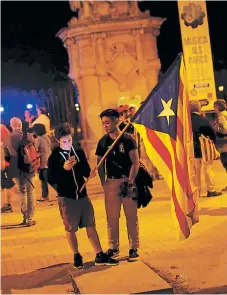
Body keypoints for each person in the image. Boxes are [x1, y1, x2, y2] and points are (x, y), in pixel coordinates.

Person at [47, 123, 119, 268]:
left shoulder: (78, 152)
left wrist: (90, 173)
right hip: (67, 198)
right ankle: (76, 255)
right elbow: (52, 179)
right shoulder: (54, 157)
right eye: (64, 142)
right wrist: (64, 169)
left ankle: (99, 254)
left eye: (69, 140)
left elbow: (85, 170)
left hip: (83, 195)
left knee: (90, 224)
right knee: (70, 228)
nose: (67, 144)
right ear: (58, 141)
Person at [96, 109, 140, 261]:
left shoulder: (128, 139)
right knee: (112, 218)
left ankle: (134, 247)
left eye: (107, 122)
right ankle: (113, 247)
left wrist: (131, 181)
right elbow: (99, 166)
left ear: (117, 121)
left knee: (131, 217)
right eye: (103, 123)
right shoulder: (102, 142)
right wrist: (104, 184)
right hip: (111, 183)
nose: (105, 126)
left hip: (127, 182)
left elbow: (135, 163)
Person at [6, 117, 37, 226]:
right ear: (20, 125)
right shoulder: (28, 136)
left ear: (11, 126)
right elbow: (35, 150)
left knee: (22, 192)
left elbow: (7, 155)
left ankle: (25, 217)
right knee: (31, 192)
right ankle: (30, 218)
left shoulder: (8, 138)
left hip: (16, 169)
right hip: (29, 168)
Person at [190, 101, 222, 197]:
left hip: (192, 149)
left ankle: (197, 192)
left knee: (195, 171)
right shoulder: (202, 119)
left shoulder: (186, 121)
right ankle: (211, 190)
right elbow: (212, 132)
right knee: (208, 168)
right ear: (198, 108)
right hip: (205, 148)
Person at [33, 124, 52, 202]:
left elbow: (34, 150)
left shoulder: (38, 139)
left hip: (43, 163)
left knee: (44, 180)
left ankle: (45, 196)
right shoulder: (47, 137)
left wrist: (38, 154)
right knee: (49, 179)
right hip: (50, 160)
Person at [1, 124, 16, 213]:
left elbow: (6, 146)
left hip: (4, 161)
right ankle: (6, 204)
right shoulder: (3, 128)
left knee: (7, 184)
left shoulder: (2, 129)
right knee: (5, 184)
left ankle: (24, 194)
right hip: (4, 161)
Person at [213, 100, 227, 191]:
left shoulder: (222, 116)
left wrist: (215, 126)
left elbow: (225, 130)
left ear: (218, 107)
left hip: (224, 144)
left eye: (214, 106)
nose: (213, 108)